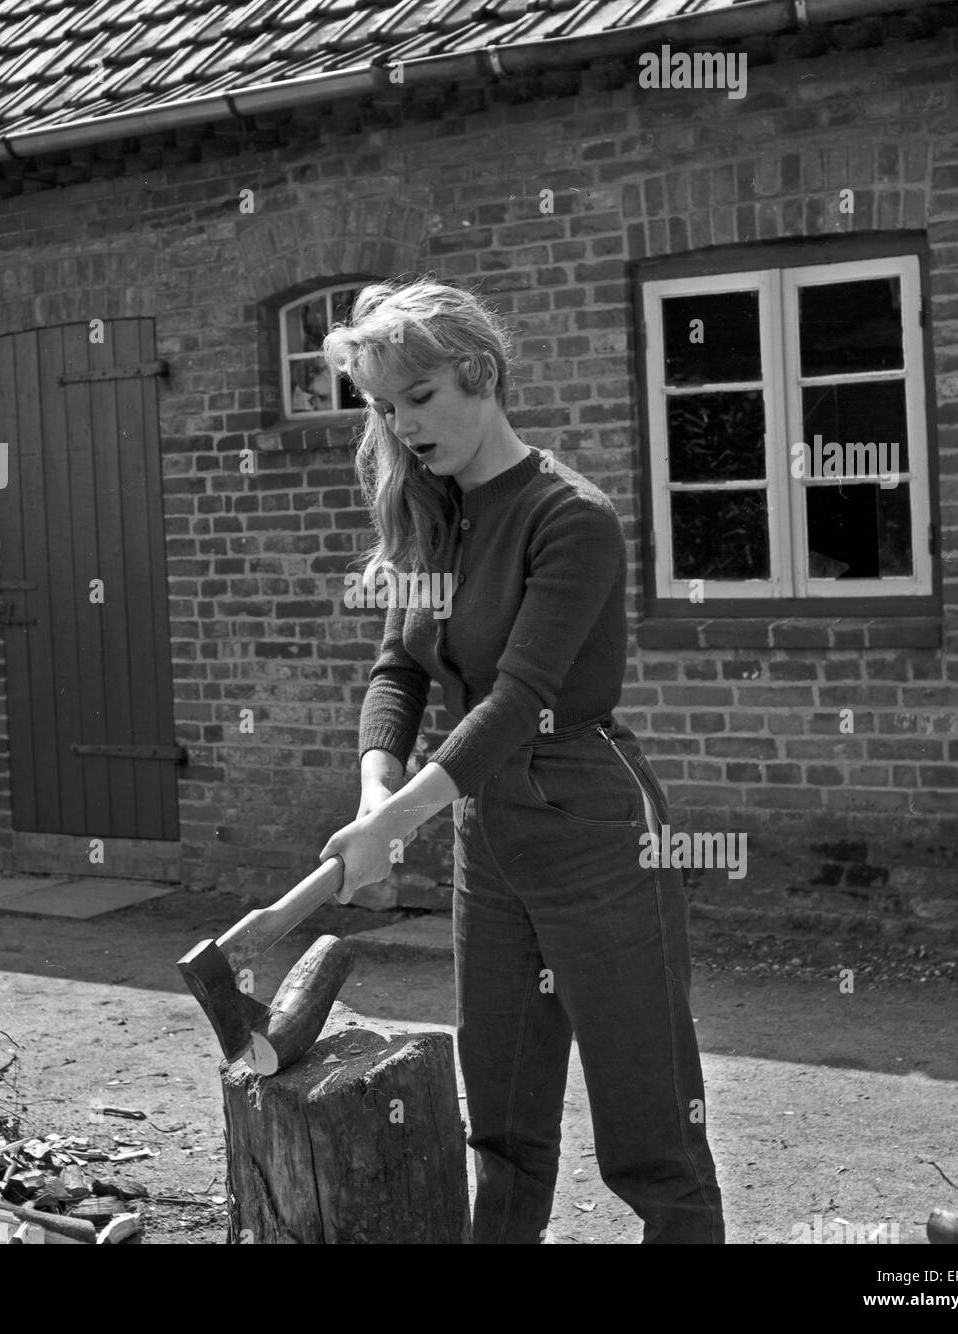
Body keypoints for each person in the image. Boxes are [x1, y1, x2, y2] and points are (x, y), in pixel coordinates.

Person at [317, 276, 725, 1244]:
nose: (403, 425)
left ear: (481, 373)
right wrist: (375, 784)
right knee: (499, 1117)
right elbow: (397, 671)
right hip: (482, 823)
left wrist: (394, 822)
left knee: (647, 1123)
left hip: (591, 822)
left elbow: (519, 696)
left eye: (418, 398)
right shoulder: (427, 516)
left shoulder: (566, 515)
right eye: (382, 407)